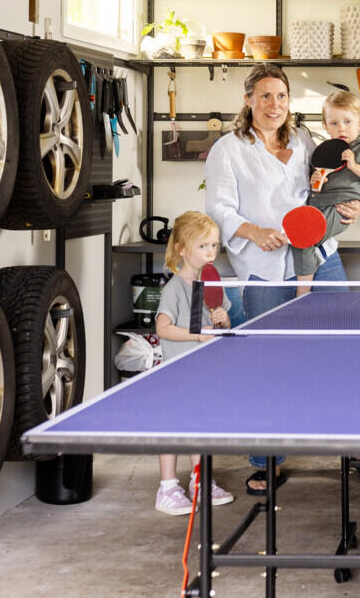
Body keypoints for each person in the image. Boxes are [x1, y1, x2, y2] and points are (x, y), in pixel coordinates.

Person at [205, 63, 360, 495]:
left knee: (345, 353)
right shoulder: (227, 149)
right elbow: (219, 208)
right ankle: (266, 459)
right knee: (268, 362)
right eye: (265, 96)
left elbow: (330, 185)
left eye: (281, 96)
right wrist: (254, 232)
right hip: (264, 267)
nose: (274, 105)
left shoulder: (304, 139)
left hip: (320, 256)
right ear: (248, 100)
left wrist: (351, 206)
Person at [152, 210, 234, 515]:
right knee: (173, 429)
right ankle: (167, 488)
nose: (210, 252)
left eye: (214, 245)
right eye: (202, 246)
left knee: (200, 426)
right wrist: (197, 336)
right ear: (182, 249)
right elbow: (162, 328)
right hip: (178, 373)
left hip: (203, 372)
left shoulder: (211, 283)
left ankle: (200, 481)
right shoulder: (174, 287)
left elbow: (222, 325)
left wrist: (222, 319)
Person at [293, 91, 360, 294]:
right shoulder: (325, 149)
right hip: (318, 204)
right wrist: (316, 181)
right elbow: (318, 185)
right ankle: (308, 277)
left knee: (304, 238)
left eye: (347, 121)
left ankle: (302, 293)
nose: (341, 128)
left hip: (341, 207)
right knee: (302, 236)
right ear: (325, 126)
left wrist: (354, 166)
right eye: (334, 123)